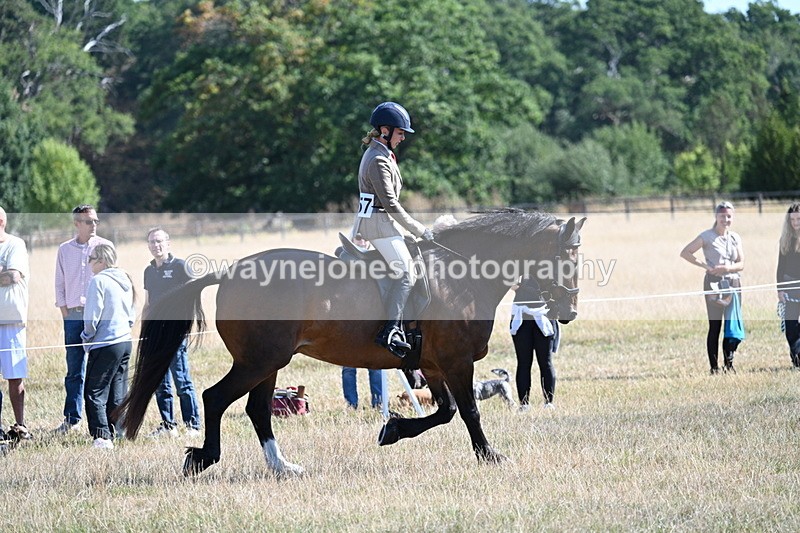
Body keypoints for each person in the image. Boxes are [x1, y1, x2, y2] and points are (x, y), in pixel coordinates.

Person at [352, 101, 434, 357]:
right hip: (379, 224)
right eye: (400, 133)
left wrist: (358, 228)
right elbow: (390, 204)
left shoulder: (381, 154)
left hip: (374, 222)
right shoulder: (377, 159)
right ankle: (391, 330)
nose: (402, 138)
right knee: (407, 274)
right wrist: (420, 230)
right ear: (385, 131)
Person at [54, 204, 113, 433]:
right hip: (73, 315)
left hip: (98, 316)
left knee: (101, 368)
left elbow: (112, 279)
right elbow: (59, 282)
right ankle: (72, 419)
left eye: (96, 221)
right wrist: (65, 312)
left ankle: (104, 417)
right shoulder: (64, 250)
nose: (94, 225)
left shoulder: (105, 246)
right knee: (74, 370)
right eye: (89, 221)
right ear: (77, 223)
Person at [143, 227, 201, 437]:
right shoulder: (149, 271)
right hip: (155, 333)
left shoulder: (180, 267)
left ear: (168, 243)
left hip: (174, 332)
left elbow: (191, 298)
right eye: (152, 242)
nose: (156, 246)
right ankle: (169, 425)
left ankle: (193, 425)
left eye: (159, 241)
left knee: (182, 380)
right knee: (160, 382)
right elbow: (148, 304)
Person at [680, 201, 745, 374]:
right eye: (722, 216)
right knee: (715, 325)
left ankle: (729, 364)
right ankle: (714, 367)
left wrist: (727, 268)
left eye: (729, 216)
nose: (726, 219)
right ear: (716, 216)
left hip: (733, 283)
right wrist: (705, 266)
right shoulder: (706, 236)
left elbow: (741, 263)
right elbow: (685, 252)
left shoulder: (735, 238)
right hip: (714, 284)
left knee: (731, 324)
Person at [81, 244, 135, 449]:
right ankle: (120, 431)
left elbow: (92, 316)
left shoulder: (98, 281)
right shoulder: (125, 279)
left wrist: (86, 336)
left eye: (91, 259)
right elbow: (131, 312)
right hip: (124, 341)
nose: (89, 263)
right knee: (118, 390)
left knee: (94, 391)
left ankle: (102, 436)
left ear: (102, 260)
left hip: (105, 343)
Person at [0, 207, 31, 440]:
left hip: (11, 321)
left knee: (14, 376)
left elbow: (13, 276)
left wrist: (6, 273)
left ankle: (20, 425)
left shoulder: (15, 245)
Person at [510, 277, 559, 410]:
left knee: (545, 361)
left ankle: (549, 403)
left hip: (543, 315)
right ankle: (524, 404)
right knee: (524, 362)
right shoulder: (519, 264)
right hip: (521, 316)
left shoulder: (547, 265)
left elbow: (557, 286)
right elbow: (510, 282)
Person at [777, 203, 800, 368]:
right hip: (789, 286)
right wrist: (780, 289)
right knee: (790, 327)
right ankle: (796, 358)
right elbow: (780, 266)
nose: (795, 222)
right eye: (792, 219)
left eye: (798, 219)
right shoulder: (785, 239)